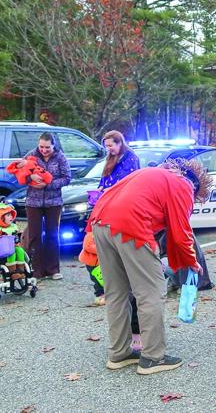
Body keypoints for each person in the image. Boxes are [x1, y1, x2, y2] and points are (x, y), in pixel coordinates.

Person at [87, 158, 211, 376]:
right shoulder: (183, 184)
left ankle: (119, 353)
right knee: (151, 292)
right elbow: (182, 233)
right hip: (130, 226)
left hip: (99, 223)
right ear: (195, 186)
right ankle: (153, 357)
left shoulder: (151, 173)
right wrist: (191, 261)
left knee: (116, 293)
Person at [87, 130, 140, 304]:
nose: (109, 149)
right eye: (106, 146)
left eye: (111, 145)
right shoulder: (109, 159)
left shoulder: (131, 158)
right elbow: (105, 180)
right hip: (106, 204)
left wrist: (108, 190)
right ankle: (104, 287)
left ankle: (124, 286)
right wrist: (100, 190)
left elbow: (127, 181)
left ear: (119, 143)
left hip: (122, 204)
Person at [20, 132, 71, 280]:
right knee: (34, 235)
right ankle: (35, 270)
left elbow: (67, 178)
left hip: (53, 202)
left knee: (52, 235)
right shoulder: (31, 155)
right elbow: (19, 174)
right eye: (41, 146)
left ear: (53, 145)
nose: (44, 150)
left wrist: (49, 184)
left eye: (47, 147)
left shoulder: (60, 157)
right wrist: (30, 178)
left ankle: (53, 269)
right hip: (33, 202)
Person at [0, 202, 27, 279]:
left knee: (20, 250)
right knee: (11, 252)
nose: (11, 217)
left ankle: (20, 270)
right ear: (1, 217)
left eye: (11, 215)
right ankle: (12, 272)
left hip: (10, 246)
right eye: (8, 215)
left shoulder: (12, 227)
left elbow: (15, 237)